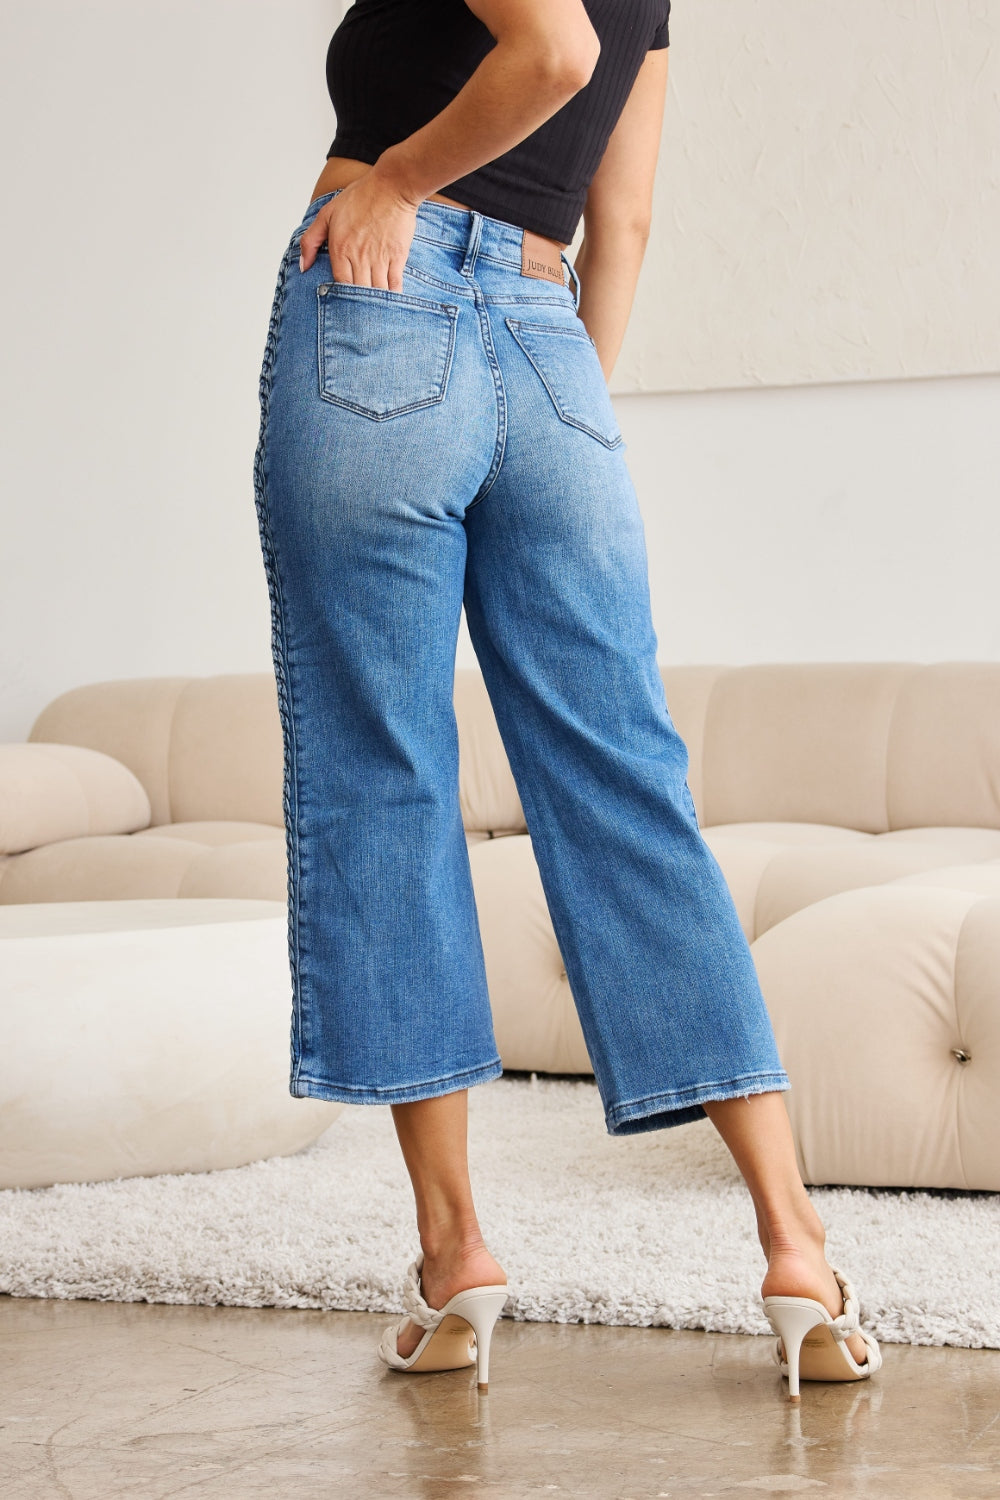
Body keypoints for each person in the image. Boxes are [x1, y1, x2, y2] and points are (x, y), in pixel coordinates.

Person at [252, 0, 881, 1402]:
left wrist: (399, 182)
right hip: (553, 337)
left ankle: (456, 1253)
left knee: (383, 772)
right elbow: (629, 215)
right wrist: (559, 396)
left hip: (383, 300)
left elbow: (552, 53)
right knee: (629, 790)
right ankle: (796, 1250)